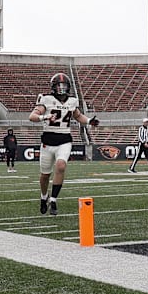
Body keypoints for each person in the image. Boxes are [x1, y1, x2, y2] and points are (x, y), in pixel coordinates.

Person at [28, 72, 99, 215]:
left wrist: (89, 120)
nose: (62, 88)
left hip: (64, 139)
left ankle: (53, 199)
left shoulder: (72, 101)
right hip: (48, 140)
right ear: (53, 87)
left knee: (61, 166)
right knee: (45, 175)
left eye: (64, 85)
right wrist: (44, 116)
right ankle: (44, 197)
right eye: (59, 86)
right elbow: (32, 116)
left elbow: (78, 115)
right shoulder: (46, 99)